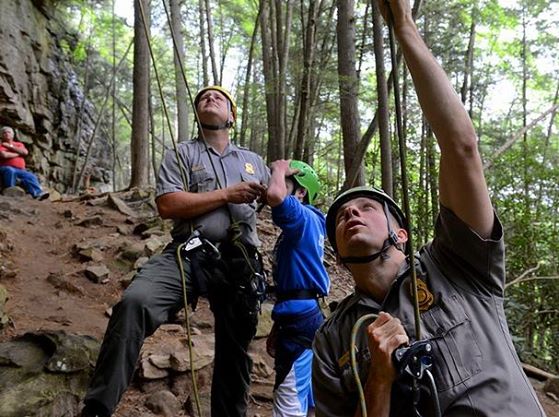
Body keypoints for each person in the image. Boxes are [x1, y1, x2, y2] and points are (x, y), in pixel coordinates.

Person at [311, 1, 547, 416]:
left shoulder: (457, 264)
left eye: (366, 207)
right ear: (338, 254)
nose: (350, 214)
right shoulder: (332, 341)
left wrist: (404, 27)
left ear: (400, 234)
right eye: (341, 217)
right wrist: (379, 378)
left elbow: (461, 149)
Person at [81, 86, 270, 417]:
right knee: (135, 302)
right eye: (202, 99)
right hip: (190, 252)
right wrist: (227, 194)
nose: (209, 100)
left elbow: (278, 199)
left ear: (232, 115)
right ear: (197, 114)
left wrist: (284, 179)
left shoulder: (253, 161)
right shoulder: (182, 155)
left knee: (235, 348)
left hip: (241, 263)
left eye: (218, 98)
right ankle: (98, 407)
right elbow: (168, 205)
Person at [266, 159, 330, 417]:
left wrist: (279, 168)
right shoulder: (310, 223)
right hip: (303, 314)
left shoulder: (303, 218)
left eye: (287, 182)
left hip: (298, 319)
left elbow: (274, 195)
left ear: (301, 192)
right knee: (308, 399)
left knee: (288, 399)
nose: (277, 181)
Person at [0, 126, 48, 200]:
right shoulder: (1, 145)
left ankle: (38, 193)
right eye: (4, 133)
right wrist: (18, 153)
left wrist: (10, 147)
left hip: (21, 169)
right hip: (5, 167)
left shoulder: (19, 144)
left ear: (12, 135)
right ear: (1, 135)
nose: (6, 134)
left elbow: (25, 152)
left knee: (31, 176)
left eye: (9, 132)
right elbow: (4, 155)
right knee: (10, 170)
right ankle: (10, 191)